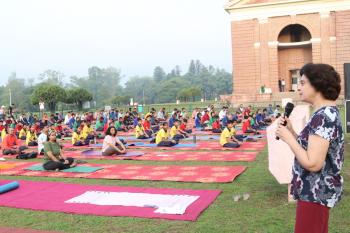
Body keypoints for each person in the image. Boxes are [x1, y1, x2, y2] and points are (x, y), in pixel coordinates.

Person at [275, 63, 344, 233]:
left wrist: (289, 138)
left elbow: (313, 163)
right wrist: (292, 132)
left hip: (315, 193)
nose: (299, 87)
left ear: (318, 84)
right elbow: (312, 151)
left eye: (303, 83)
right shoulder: (323, 114)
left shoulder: (324, 116)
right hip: (314, 193)